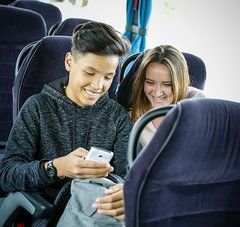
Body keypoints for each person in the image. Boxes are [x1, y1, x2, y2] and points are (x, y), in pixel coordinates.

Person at [0, 21, 132, 223]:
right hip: (47, 214)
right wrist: (55, 168)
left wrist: (125, 192)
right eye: (89, 73)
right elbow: (7, 175)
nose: (98, 85)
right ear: (70, 62)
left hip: (97, 212)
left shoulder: (118, 117)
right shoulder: (37, 107)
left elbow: (128, 176)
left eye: (108, 77)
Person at [130, 45, 205, 148]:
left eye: (167, 84)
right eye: (150, 82)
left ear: (180, 82)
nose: (157, 93)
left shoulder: (198, 102)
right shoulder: (132, 115)